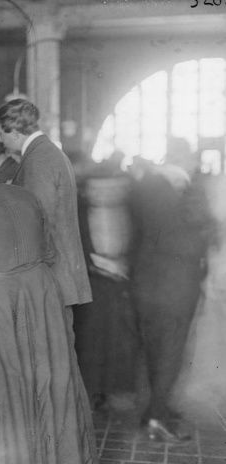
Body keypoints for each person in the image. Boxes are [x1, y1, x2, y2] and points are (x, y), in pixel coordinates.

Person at [0, 136, 97, 464]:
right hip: (42, 301)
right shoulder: (25, 196)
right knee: (47, 389)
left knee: (3, 395)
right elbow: (50, 252)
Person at [128, 137, 210, 442]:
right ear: (184, 159)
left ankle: (157, 406)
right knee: (171, 352)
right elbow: (186, 243)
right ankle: (157, 419)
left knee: (154, 351)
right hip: (175, 286)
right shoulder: (184, 193)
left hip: (145, 282)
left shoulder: (144, 188)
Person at [0, 99, 92, 312]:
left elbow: (39, 221)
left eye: (1, 133)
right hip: (59, 276)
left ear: (15, 133)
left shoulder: (38, 160)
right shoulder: (46, 152)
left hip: (51, 278)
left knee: (54, 344)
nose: (0, 140)